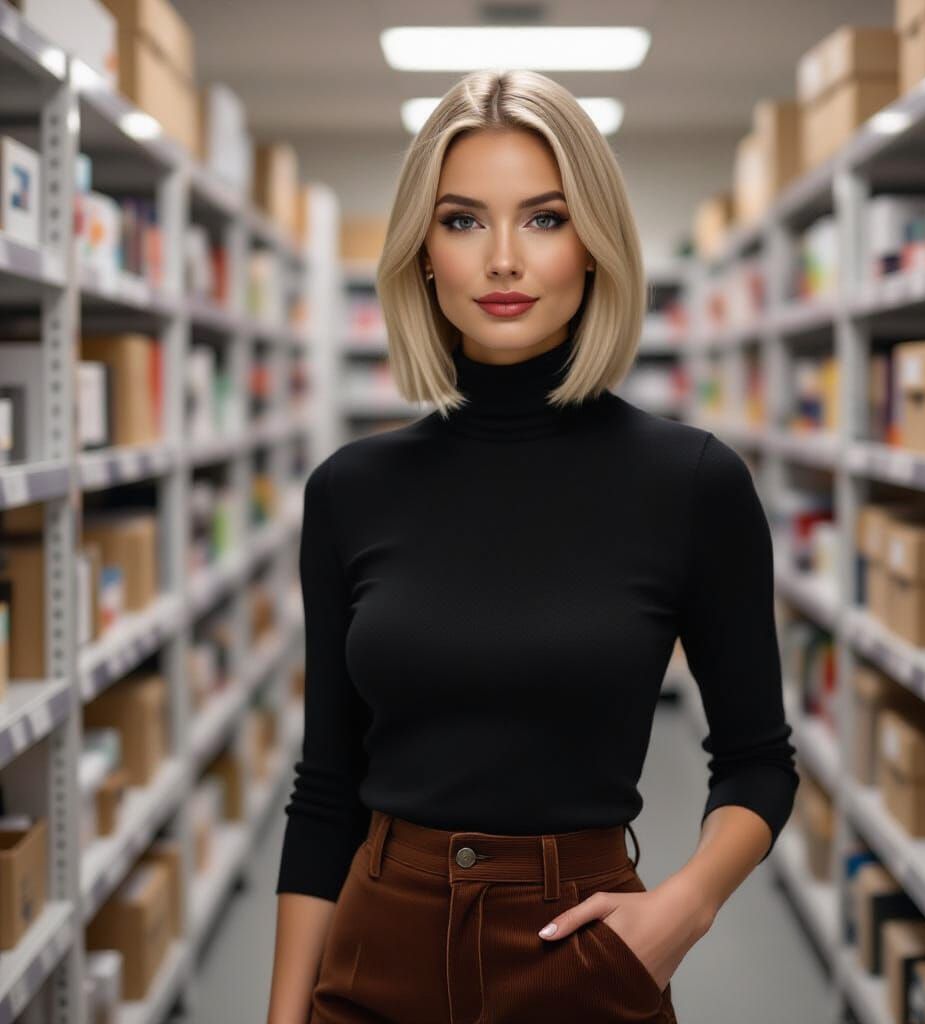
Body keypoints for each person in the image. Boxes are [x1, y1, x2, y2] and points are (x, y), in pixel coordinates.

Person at [266, 68, 799, 1024]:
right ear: (423, 254)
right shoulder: (349, 490)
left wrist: (684, 908)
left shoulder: (692, 484)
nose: (503, 258)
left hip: (583, 954)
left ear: (595, 247)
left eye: (545, 218)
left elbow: (759, 758)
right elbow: (325, 791)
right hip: (376, 948)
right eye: (464, 220)